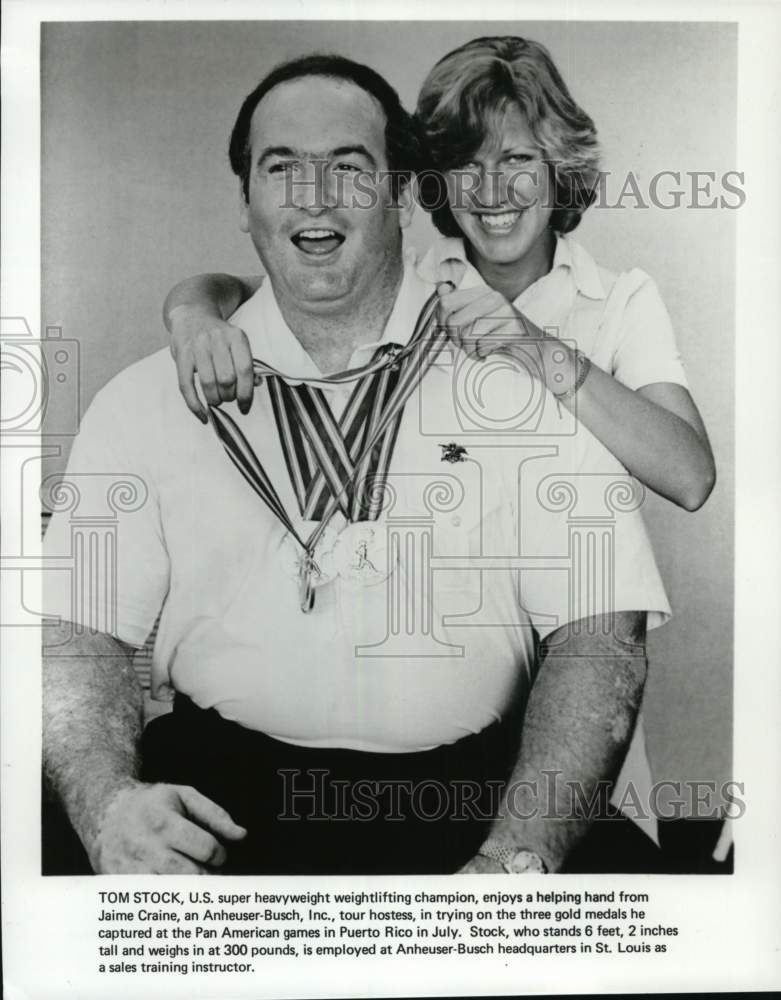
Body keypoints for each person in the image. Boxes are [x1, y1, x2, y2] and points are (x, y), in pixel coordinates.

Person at [42, 53, 672, 877]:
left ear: (404, 193)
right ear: (244, 201)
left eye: (349, 168)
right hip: (213, 800)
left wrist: (521, 852)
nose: (314, 197)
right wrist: (107, 805)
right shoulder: (143, 397)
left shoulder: (527, 377)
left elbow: (599, 637)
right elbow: (74, 632)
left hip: (469, 804)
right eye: (282, 168)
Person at [163, 36, 715, 513]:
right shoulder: (414, 277)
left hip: (584, 586)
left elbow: (690, 479)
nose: (492, 191)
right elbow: (245, 290)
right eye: (467, 167)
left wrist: (533, 345)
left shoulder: (619, 298)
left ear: (558, 168)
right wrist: (192, 316)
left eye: (517, 161)